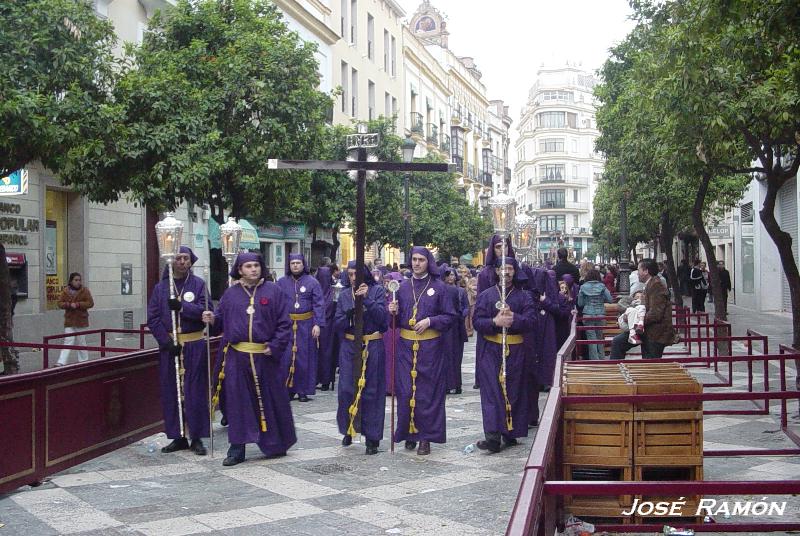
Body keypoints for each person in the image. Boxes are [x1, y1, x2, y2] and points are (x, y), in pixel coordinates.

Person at [202, 252, 295, 466]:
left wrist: (275, 346)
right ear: (240, 270)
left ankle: (275, 443)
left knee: (270, 400)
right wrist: (211, 319)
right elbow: (220, 324)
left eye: (256, 265)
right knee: (238, 403)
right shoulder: (231, 294)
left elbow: (284, 323)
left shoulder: (274, 291)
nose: (253, 269)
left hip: (265, 356)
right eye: (248, 266)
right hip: (237, 356)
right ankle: (237, 448)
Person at [387, 246, 456, 455]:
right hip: (406, 348)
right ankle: (409, 432)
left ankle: (425, 437)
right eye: (414, 260)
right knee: (406, 392)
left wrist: (430, 321)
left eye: (421, 260)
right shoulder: (402, 287)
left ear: (428, 262)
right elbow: (393, 323)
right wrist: (392, 312)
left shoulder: (440, 288)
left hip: (431, 348)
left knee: (428, 394)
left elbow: (450, 317)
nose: (417, 263)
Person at [146, 248, 210, 455]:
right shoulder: (161, 288)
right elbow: (153, 318)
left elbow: (206, 312)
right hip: (171, 348)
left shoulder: (199, 285)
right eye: (179, 258)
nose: (182, 262)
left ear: (191, 262)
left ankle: (197, 436)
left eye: (186, 259)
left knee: (195, 391)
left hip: (194, 346)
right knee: (171, 391)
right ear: (172, 262)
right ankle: (177, 436)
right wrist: (166, 342)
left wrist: (183, 307)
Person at [473, 257, 536, 453]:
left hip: (515, 351)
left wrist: (513, 318)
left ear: (515, 272)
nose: (506, 272)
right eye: (503, 268)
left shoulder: (524, 297)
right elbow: (477, 322)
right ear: (497, 272)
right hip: (491, 351)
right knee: (492, 393)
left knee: (514, 392)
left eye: (510, 268)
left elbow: (532, 321)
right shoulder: (486, 295)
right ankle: (492, 436)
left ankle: (510, 432)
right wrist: (494, 322)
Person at [336, 261, 388, 455]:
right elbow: (337, 324)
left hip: (372, 344)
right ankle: (349, 428)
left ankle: (372, 437)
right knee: (347, 389)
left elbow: (383, 321)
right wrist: (348, 316)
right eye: (350, 274)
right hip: (350, 346)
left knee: (372, 391)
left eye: (356, 274)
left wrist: (367, 300)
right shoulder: (343, 295)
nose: (353, 278)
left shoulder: (377, 291)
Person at [277, 253, 324, 402]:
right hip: (287, 325)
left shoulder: (312, 282)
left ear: (303, 264)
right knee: (286, 357)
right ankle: (287, 389)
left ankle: (303, 390)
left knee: (304, 358)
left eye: (298, 263)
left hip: (306, 324)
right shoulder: (281, 282)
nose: (295, 265)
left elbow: (319, 304)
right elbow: (277, 304)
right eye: (292, 263)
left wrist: (317, 324)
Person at [610, 259, 673, 359]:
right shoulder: (650, 284)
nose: (637, 273)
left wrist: (635, 321)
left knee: (650, 365)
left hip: (654, 333)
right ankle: (616, 369)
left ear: (646, 271)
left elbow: (655, 314)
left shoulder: (656, 286)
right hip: (647, 330)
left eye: (638, 270)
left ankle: (618, 369)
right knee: (618, 342)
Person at [56, 273, 95, 366]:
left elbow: (90, 303)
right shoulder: (65, 291)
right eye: (76, 280)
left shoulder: (84, 290)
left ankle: (83, 361)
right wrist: (68, 305)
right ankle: (61, 362)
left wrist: (78, 304)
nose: (78, 282)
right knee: (68, 340)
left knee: (81, 341)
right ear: (71, 281)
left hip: (81, 320)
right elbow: (59, 303)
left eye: (79, 280)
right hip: (69, 320)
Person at [442, 266, 468, 395]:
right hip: (446, 328)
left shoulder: (460, 291)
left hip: (457, 326)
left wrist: (461, 315)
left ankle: (457, 384)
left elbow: (465, 306)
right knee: (446, 356)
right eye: (448, 275)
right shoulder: (441, 290)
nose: (450, 277)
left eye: (452, 275)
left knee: (457, 357)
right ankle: (447, 383)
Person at [577, 269, 613, 360]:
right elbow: (610, 299)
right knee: (600, 338)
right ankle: (601, 358)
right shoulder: (602, 286)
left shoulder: (583, 287)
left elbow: (580, 303)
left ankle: (595, 360)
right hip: (600, 313)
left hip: (588, 314)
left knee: (591, 339)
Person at [315, 266, 337, 392]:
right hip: (319, 327)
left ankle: (325, 380)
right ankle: (320, 379)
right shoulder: (316, 290)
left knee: (326, 353)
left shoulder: (333, 292)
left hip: (328, 329)